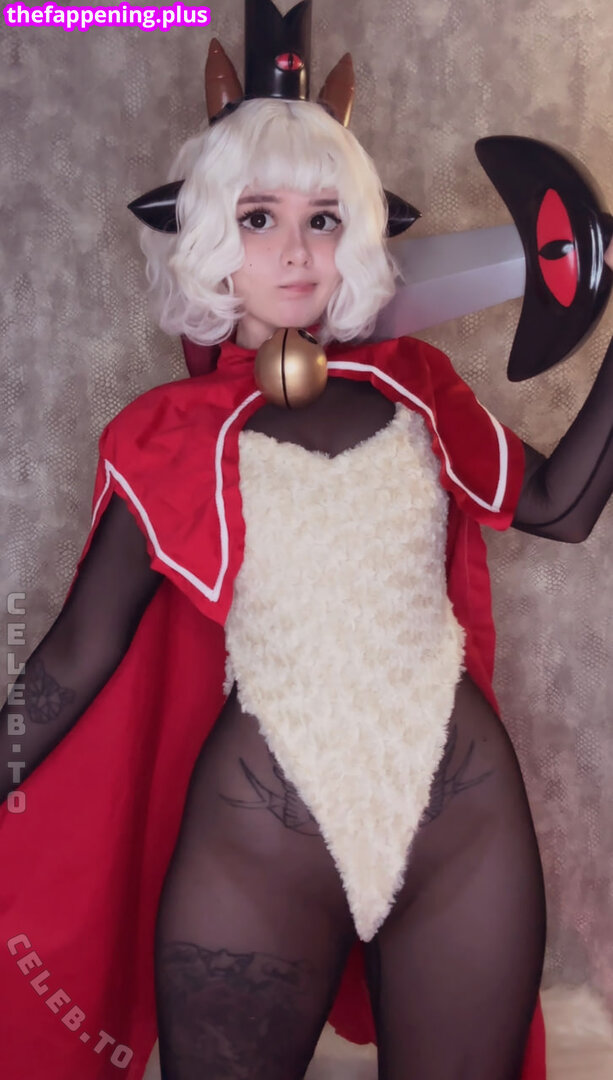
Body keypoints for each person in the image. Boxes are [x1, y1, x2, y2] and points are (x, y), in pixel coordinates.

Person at [3, 6, 613, 1079]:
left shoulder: (418, 387)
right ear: (205, 240)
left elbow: (560, 507)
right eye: (257, 218)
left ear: (358, 235)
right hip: (261, 839)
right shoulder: (162, 435)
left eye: (323, 218)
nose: (294, 249)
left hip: (461, 827)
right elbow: (77, 655)